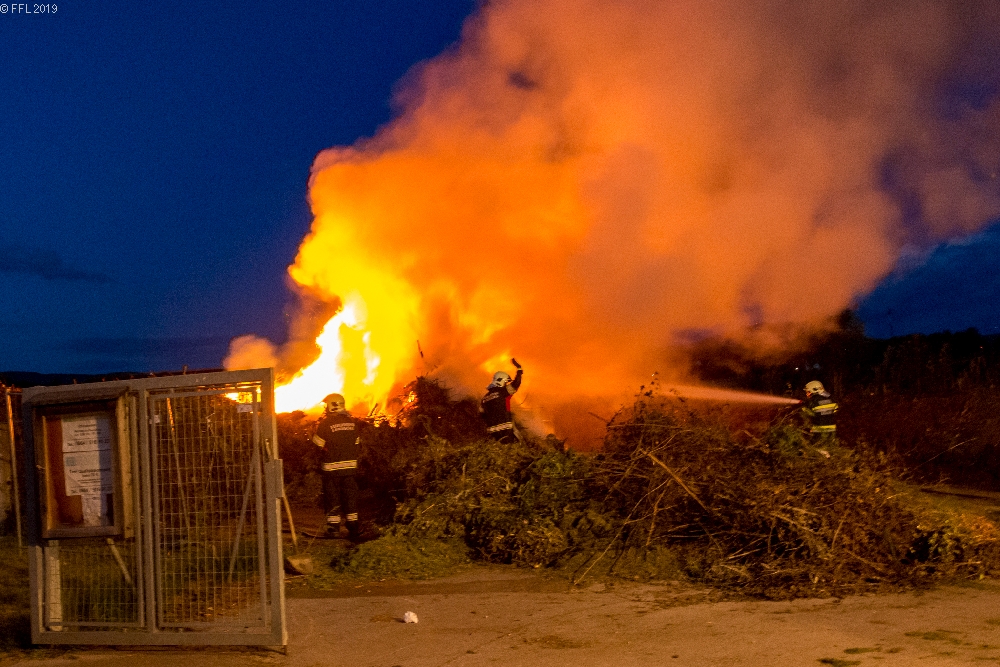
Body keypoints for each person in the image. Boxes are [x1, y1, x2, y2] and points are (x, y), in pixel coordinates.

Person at [312, 393, 360, 540]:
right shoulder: (352, 423)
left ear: (331, 406)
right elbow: (357, 444)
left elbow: (318, 445)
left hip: (331, 470)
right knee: (350, 498)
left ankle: (333, 529)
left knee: (332, 498)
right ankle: (353, 527)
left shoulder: (325, 424)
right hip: (350, 469)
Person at [480, 358, 523, 443]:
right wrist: (519, 369)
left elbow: (482, 414)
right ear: (501, 381)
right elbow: (516, 383)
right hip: (506, 432)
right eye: (506, 382)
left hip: (493, 435)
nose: (506, 384)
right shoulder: (503, 392)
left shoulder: (484, 398)